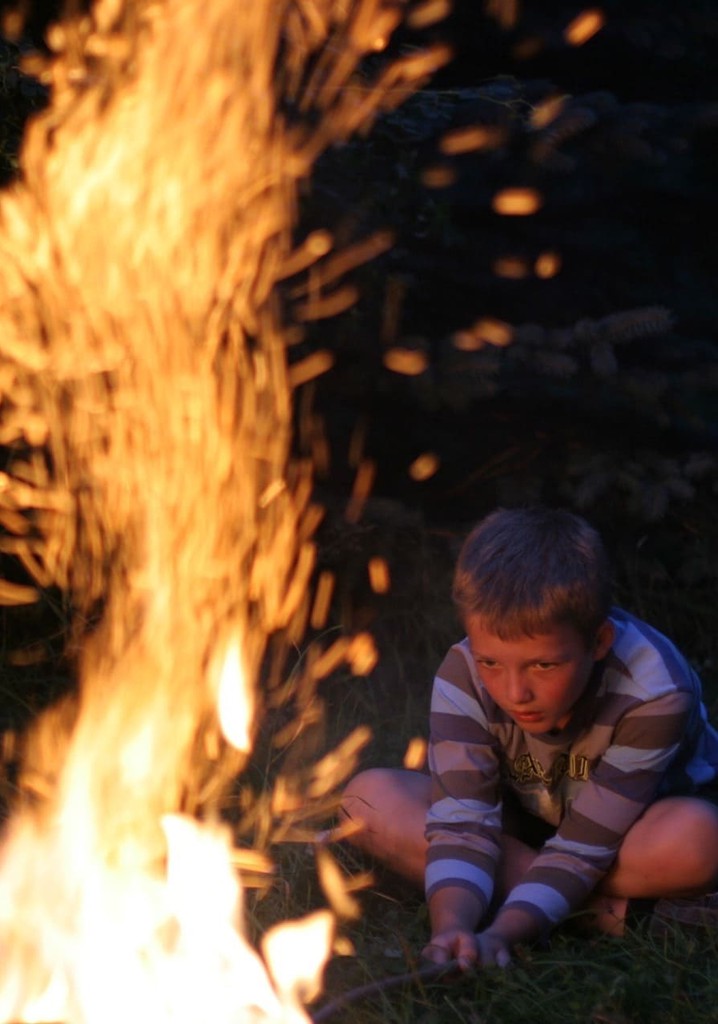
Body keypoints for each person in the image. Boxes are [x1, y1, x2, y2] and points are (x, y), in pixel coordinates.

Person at [340, 507, 718, 970]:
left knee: (701, 839)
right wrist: (452, 929)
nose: (514, 692)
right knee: (364, 800)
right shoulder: (463, 674)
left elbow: (586, 846)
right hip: (523, 820)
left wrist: (502, 934)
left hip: (631, 836)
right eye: (491, 662)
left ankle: (537, 899)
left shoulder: (654, 689)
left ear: (598, 642)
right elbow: (464, 820)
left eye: (544, 665)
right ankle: (613, 915)